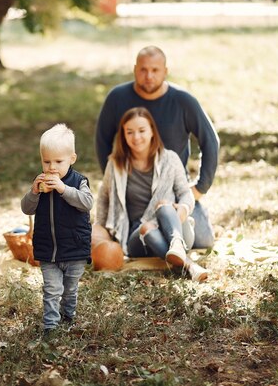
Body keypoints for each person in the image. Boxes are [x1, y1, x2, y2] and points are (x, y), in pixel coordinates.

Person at [95, 46, 219, 249]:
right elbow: (102, 141)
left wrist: (200, 187)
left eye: (155, 70)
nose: (149, 76)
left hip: (173, 188)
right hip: (133, 192)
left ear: (165, 71)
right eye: (143, 70)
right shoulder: (117, 98)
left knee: (203, 241)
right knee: (133, 239)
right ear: (135, 69)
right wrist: (117, 180)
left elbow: (210, 141)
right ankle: (162, 242)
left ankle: (175, 234)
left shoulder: (182, 101)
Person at [93, 107, 208, 282]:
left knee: (163, 205)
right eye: (129, 132)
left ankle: (176, 244)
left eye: (141, 130)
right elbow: (103, 198)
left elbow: (185, 193)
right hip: (138, 237)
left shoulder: (170, 159)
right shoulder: (116, 164)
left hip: (173, 225)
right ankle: (189, 265)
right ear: (123, 135)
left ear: (152, 131)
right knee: (147, 227)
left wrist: (184, 208)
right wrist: (100, 230)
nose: (136, 137)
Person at [21, 124, 93, 335]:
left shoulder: (79, 182)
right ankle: (51, 326)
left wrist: (63, 189)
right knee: (51, 290)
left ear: (72, 158)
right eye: (46, 161)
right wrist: (34, 192)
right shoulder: (40, 183)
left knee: (69, 290)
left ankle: (68, 316)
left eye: (58, 161)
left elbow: (87, 203)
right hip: (48, 249)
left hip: (74, 248)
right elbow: (27, 209)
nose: (52, 168)